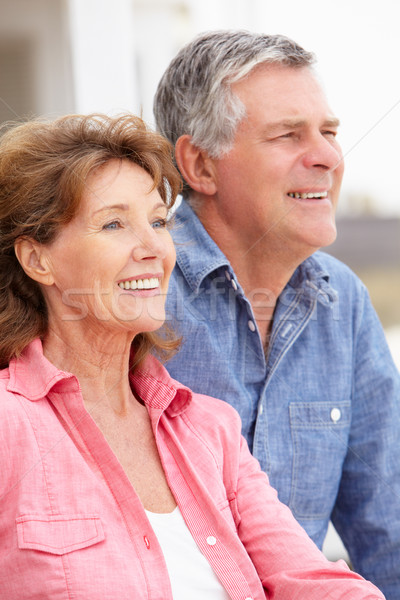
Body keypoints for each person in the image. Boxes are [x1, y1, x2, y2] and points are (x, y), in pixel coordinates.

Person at [0, 113, 386, 599]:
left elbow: (311, 582)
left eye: (158, 222)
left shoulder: (210, 430)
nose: (153, 248)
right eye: (114, 223)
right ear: (38, 259)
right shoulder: (9, 425)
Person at [153, 29, 400, 598]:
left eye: (330, 132)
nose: (329, 157)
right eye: (288, 135)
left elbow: (387, 525)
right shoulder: (138, 289)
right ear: (200, 165)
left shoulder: (346, 302)